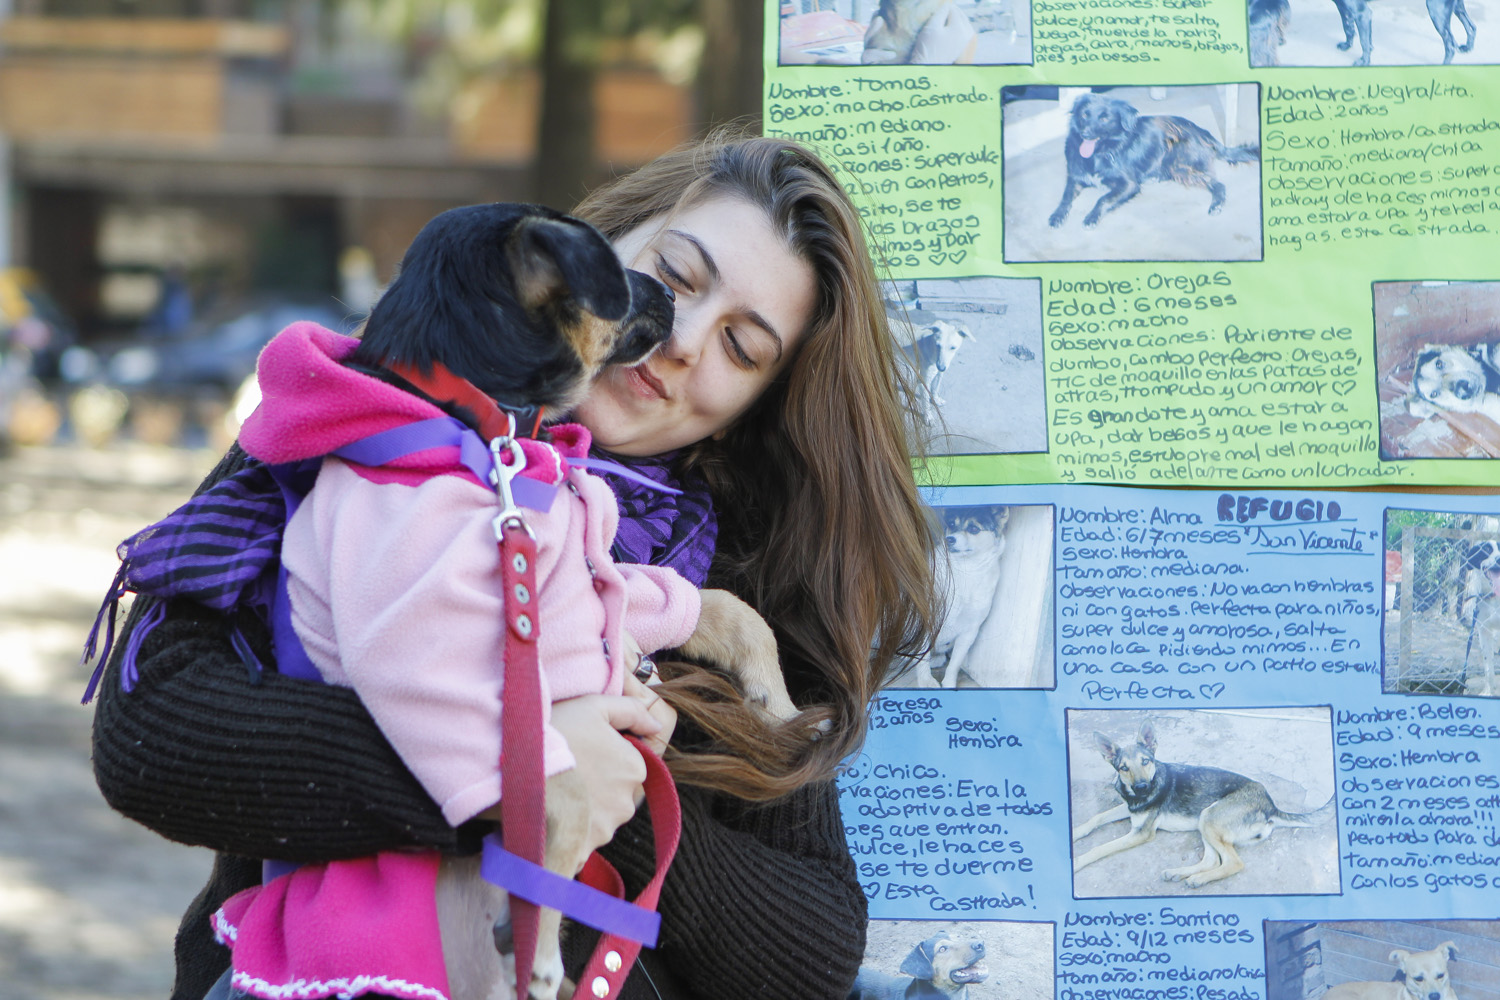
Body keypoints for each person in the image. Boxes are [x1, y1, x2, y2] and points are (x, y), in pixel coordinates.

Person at [89, 128, 939, 1000]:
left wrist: (623, 807)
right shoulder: (362, 424)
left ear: (750, 406)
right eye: (674, 277)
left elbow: (813, 950)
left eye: (743, 348)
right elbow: (150, 733)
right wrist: (523, 775)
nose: (682, 337)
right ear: (597, 245)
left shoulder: (747, 564)